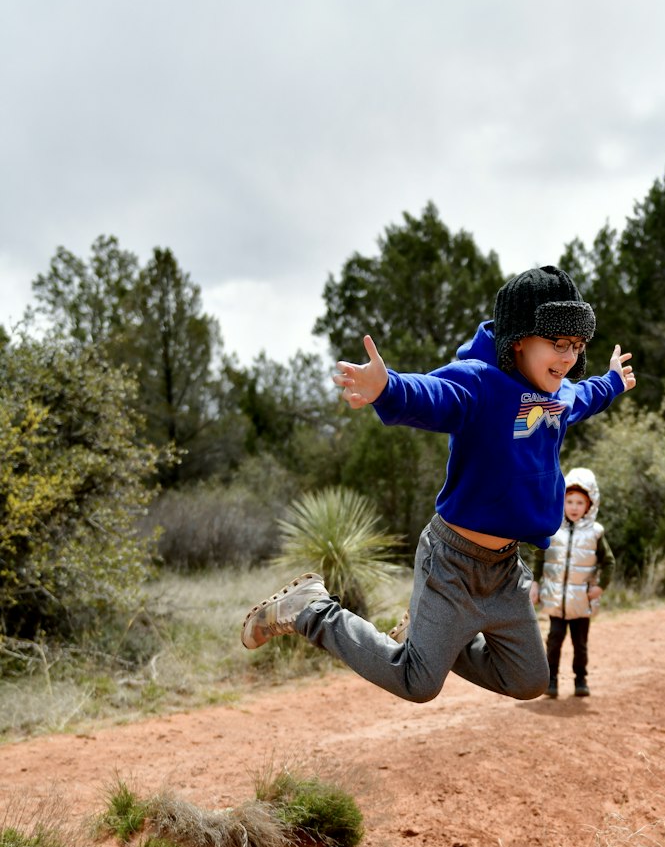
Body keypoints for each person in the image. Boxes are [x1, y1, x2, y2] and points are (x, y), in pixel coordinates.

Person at [241, 265, 635, 703]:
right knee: (418, 682)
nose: (567, 358)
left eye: (576, 346)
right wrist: (387, 388)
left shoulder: (557, 397)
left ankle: (434, 637)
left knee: (529, 680)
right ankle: (312, 611)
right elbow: (433, 395)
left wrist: (614, 380)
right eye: (558, 344)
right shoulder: (480, 384)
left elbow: (586, 396)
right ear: (519, 339)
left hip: (505, 570)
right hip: (452, 563)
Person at [530, 467, 614, 698]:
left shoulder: (595, 533)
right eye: (570, 501)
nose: (574, 507)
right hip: (556, 598)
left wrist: (600, 586)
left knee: (580, 645)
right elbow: (540, 557)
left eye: (580, 502)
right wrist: (534, 584)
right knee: (553, 641)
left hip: (581, 601)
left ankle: (580, 680)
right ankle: (551, 681)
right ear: (562, 501)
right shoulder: (553, 529)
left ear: (590, 505)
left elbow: (609, 563)